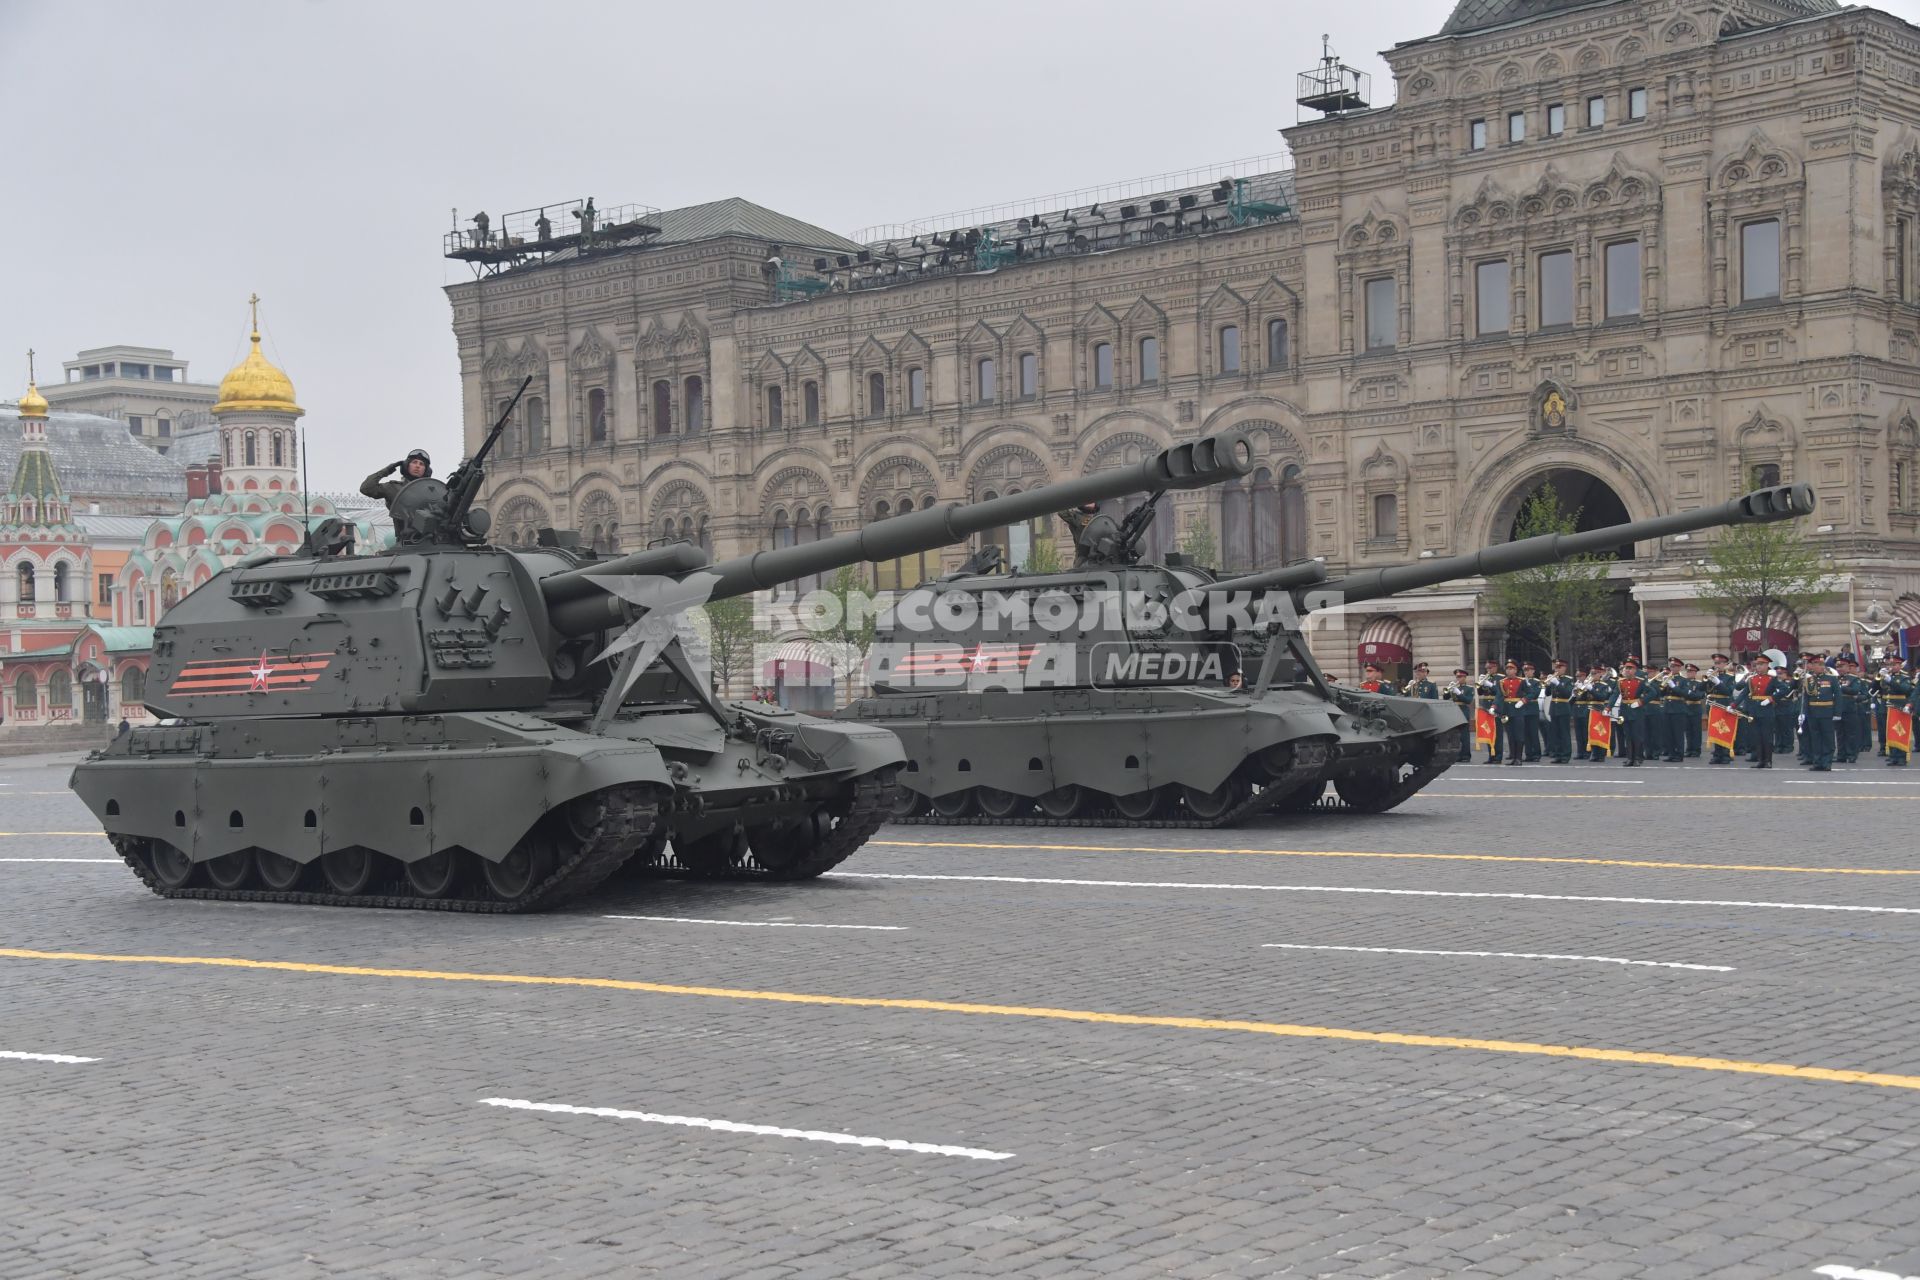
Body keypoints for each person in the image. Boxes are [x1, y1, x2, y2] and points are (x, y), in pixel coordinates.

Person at [1736, 653, 1784, 769]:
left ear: (1767, 665)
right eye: (1757, 665)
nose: (1758, 667)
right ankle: (1760, 760)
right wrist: (1733, 705)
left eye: (1761, 665)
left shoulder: (1772, 679)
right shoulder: (1752, 679)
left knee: (1766, 737)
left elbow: (1784, 689)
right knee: (1756, 736)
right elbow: (1744, 693)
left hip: (1766, 710)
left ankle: (1768, 760)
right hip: (1754, 710)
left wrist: (1771, 698)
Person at [1799, 652, 1841, 772]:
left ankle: (1827, 762)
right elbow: (1806, 698)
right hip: (1813, 713)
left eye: (1820, 664)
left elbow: (1838, 696)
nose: (1819, 667)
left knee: (1828, 738)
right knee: (1815, 738)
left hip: (1827, 712)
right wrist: (1803, 713)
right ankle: (1817, 762)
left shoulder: (1831, 679)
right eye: (1816, 664)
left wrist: (1837, 713)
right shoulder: (1809, 680)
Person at [361, 450, 432, 512]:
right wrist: (387, 470)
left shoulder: (432, 491)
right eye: (414, 462)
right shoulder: (393, 488)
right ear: (406, 465)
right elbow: (366, 488)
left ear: (426, 470)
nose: (417, 466)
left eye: (421, 464)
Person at [1613, 656, 1651, 767]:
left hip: (1637, 711)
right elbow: (1615, 695)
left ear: (1635, 670)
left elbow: (1653, 692)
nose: (1627, 670)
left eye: (1630, 668)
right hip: (1625, 711)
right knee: (1628, 735)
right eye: (1626, 668)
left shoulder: (1640, 681)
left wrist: (1641, 702)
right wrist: (1608, 707)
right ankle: (1630, 758)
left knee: (1637, 735)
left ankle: (1638, 757)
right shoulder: (1620, 682)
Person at [1705, 654, 1738, 765]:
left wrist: (1718, 682)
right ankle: (1717, 754)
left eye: (1719, 663)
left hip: (1724, 705)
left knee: (1724, 730)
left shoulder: (1730, 677)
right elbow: (1702, 689)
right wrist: (1707, 679)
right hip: (1713, 705)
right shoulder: (1712, 675)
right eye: (1716, 663)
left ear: (1725, 664)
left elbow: (1728, 691)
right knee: (1715, 731)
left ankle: (1725, 754)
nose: (1717, 665)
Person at [1541, 658, 1575, 764]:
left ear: (1564, 668)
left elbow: (1567, 694)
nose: (1557, 669)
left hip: (1563, 707)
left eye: (1560, 667)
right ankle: (1558, 754)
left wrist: (1557, 684)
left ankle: (1566, 755)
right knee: (1555, 733)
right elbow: (1547, 694)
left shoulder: (1569, 680)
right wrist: (1548, 683)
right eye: (1556, 667)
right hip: (1554, 708)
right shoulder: (1553, 679)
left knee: (1564, 733)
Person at [1581, 663, 1616, 761]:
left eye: (1594, 673)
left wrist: (1591, 689)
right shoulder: (1589, 684)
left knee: (1599, 732)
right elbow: (1583, 698)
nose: (1592, 676)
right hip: (1588, 710)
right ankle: (1593, 752)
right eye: (1591, 673)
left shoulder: (1603, 685)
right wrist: (1582, 690)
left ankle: (1600, 755)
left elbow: (1602, 697)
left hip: (1598, 710)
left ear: (1600, 674)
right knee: (1589, 732)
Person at [1496, 660, 1528, 766]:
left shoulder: (1521, 681)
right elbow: (1499, 696)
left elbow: (1531, 693)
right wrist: (1494, 706)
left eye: (1511, 669)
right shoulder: (1502, 682)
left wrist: (1523, 700)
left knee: (1519, 735)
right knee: (1510, 735)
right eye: (1507, 669)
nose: (1509, 671)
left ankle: (1519, 758)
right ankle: (1513, 757)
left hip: (1518, 710)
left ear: (1515, 670)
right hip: (1507, 711)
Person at [1885, 660, 1915, 767]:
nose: (1892, 667)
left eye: (1894, 665)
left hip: (1901, 706)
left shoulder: (1904, 677)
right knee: (1892, 732)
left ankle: (1902, 757)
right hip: (1891, 706)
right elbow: (1882, 688)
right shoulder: (1889, 676)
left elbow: (1905, 689)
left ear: (1899, 666)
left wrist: (1891, 681)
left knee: (1901, 731)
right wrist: (1881, 678)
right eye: (1890, 665)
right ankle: (1894, 757)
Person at [1660, 658, 1691, 763]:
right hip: (1667, 709)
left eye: (1674, 666)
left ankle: (1679, 754)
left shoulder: (1683, 680)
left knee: (1677, 733)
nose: (1672, 668)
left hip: (1678, 709)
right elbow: (1661, 694)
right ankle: (1671, 753)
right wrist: (1663, 684)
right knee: (1668, 733)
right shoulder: (1668, 678)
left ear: (1679, 668)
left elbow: (1685, 694)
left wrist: (1673, 686)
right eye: (1671, 666)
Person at [1445, 668, 1475, 762]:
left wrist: (1458, 693)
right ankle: (1457, 755)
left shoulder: (1469, 688)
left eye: (1460, 677)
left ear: (1465, 677)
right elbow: (1446, 698)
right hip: (1454, 712)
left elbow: (1468, 700)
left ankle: (1466, 755)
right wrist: (1448, 690)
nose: (1458, 679)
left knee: (1464, 736)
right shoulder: (1454, 687)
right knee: (1455, 735)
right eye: (1457, 677)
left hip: (1463, 711)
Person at [1518, 662, 1544, 761]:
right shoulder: (1521, 681)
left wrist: (1528, 688)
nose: (1527, 672)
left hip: (1532, 709)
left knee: (1533, 733)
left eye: (1529, 670)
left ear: (1533, 671)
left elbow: (1535, 694)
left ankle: (1536, 754)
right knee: (1525, 734)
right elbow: (1519, 693)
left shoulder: (1536, 682)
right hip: (1523, 709)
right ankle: (1528, 754)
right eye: (1525, 670)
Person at [1682, 662, 1706, 757]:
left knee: (1696, 731)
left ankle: (1696, 750)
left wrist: (1689, 694)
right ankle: (1689, 749)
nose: (1689, 673)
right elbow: (1682, 693)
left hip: (1695, 708)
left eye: (1691, 671)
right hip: (1686, 708)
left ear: (1695, 673)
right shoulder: (1684, 682)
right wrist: (1691, 694)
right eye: (1688, 671)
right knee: (1688, 731)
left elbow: (1699, 696)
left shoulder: (1699, 683)